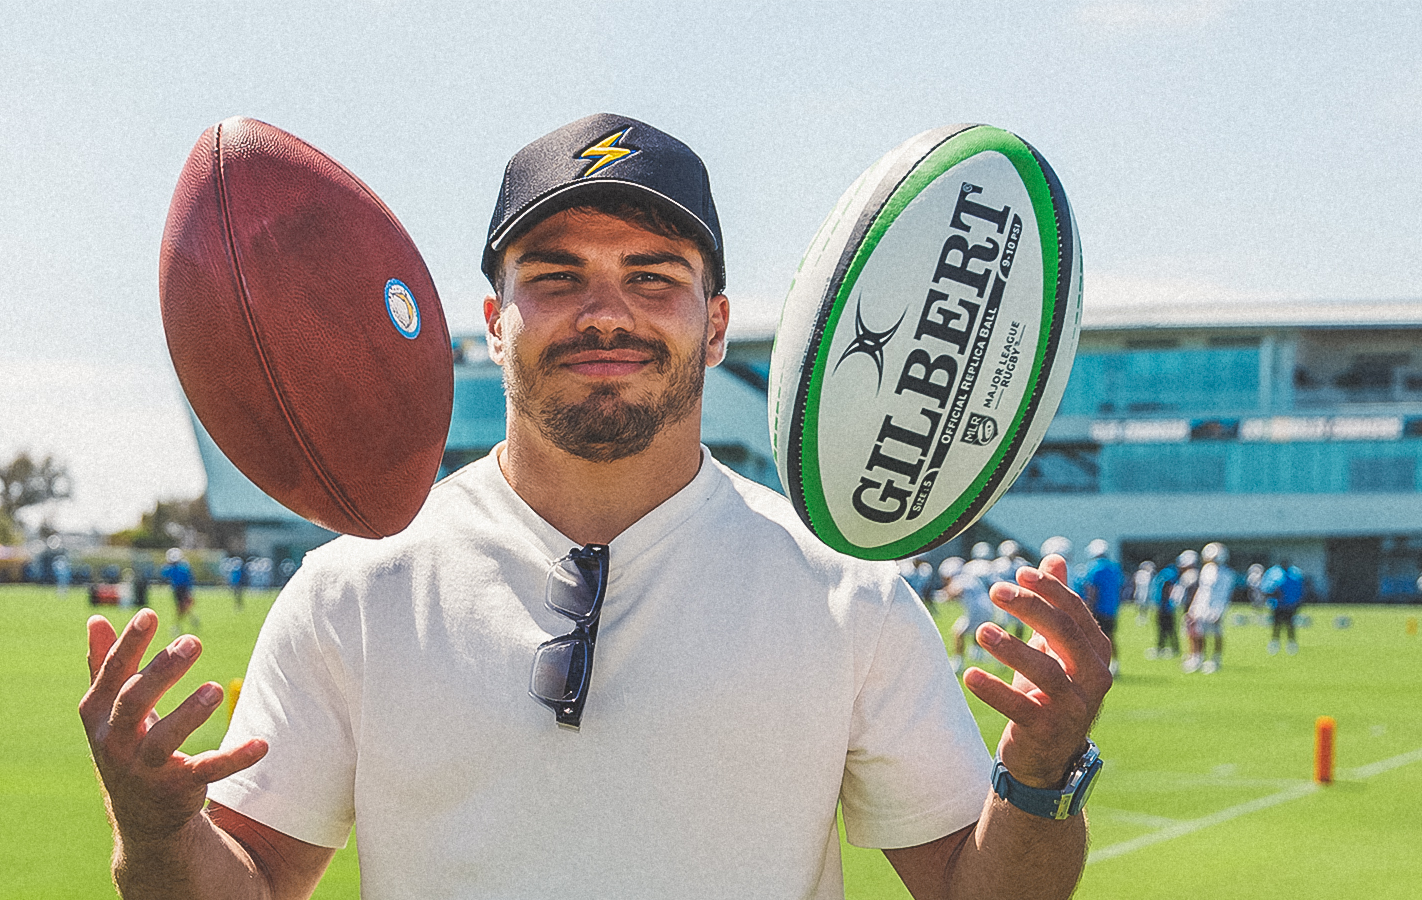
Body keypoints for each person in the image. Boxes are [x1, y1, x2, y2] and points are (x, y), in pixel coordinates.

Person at [79, 113, 1111, 900]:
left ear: (713, 325)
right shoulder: (356, 588)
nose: (604, 310)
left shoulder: (845, 591)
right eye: (558, 275)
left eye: (652, 277)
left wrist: (1038, 773)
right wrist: (159, 827)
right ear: (494, 321)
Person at [1184, 542, 1239, 673]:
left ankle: (1215, 659)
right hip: (1203, 605)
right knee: (1197, 632)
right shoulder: (1206, 570)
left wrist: (1219, 610)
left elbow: (1224, 594)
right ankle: (1197, 657)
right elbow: (1202, 591)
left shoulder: (1227, 574)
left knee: (1216, 633)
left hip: (1216, 606)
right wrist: (1194, 607)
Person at [1076, 539, 1124, 678]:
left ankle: (1097, 665)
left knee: (1093, 638)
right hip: (1111, 608)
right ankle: (1115, 664)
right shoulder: (1115, 568)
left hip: (1098, 608)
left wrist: (1088, 607)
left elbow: (1092, 589)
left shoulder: (1093, 567)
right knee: (1110, 636)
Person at [1260, 559, 1305, 655]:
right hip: (1278, 604)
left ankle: (1291, 643)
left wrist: (1298, 602)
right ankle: (1275, 642)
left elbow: (1299, 590)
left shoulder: (1295, 574)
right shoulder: (1274, 573)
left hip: (1290, 604)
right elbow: (1266, 588)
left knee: (1290, 625)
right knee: (1277, 625)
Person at [160, 548, 197, 635]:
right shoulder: (178, 567)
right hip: (177, 590)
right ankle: (192, 619)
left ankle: (177, 625)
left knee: (181, 608)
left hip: (183, 589)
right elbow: (164, 574)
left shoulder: (182, 567)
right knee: (182, 608)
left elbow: (188, 580)